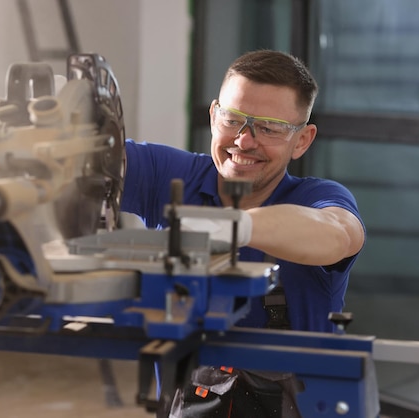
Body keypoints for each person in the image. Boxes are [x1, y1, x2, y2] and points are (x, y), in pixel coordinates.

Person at [120, 49, 366, 417]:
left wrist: (233, 226)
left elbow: (338, 235)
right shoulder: (168, 175)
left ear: (302, 140)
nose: (244, 140)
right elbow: (85, 162)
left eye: (269, 128)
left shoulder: (318, 196)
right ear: (213, 115)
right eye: (233, 119)